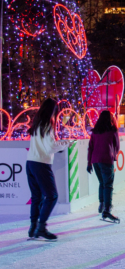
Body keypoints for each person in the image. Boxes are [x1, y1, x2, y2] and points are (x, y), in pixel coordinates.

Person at [27, 98, 72, 240]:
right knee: (52, 196)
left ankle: (33, 227)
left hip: (31, 163)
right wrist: (66, 142)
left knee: (37, 197)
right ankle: (41, 228)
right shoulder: (47, 125)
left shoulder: (37, 123)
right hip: (41, 164)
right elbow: (50, 147)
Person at [87, 110, 120, 223]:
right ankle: (107, 209)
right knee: (108, 185)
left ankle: (101, 203)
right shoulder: (112, 130)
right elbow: (117, 145)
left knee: (102, 183)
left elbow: (90, 147)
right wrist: (114, 155)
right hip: (106, 160)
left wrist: (89, 163)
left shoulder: (95, 132)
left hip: (95, 161)